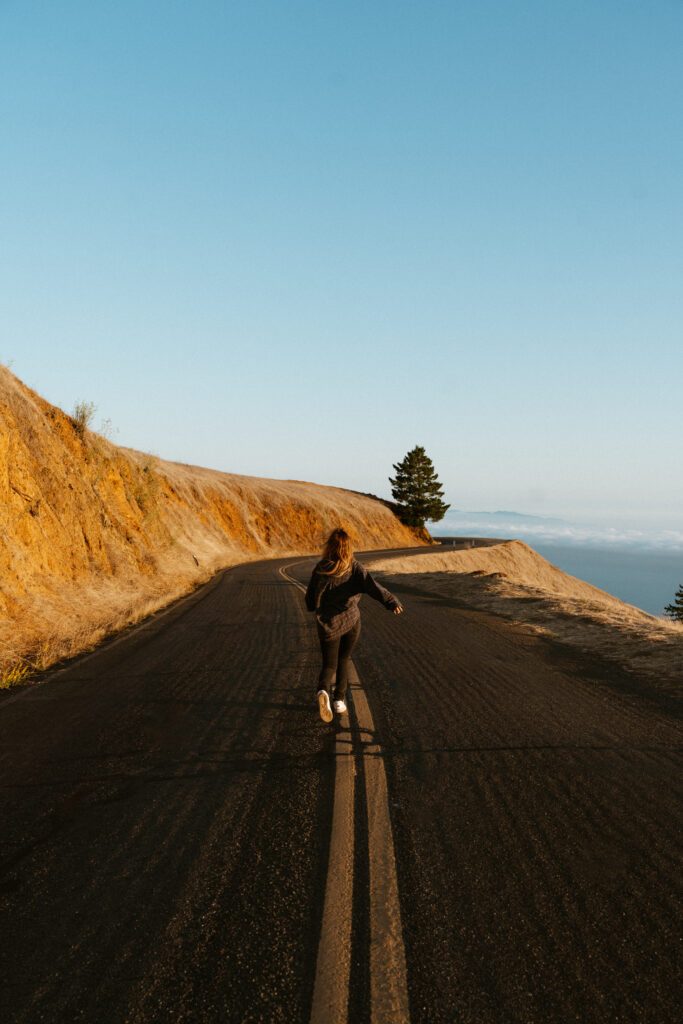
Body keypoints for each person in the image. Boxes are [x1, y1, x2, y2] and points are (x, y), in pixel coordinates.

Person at [305, 527, 403, 722]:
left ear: (330, 546)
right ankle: (339, 700)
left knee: (329, 664)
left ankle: (323, 690)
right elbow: (373, 586)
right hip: (351, 621)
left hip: (328, 624)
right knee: (344, 660)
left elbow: (310, 598)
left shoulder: (321, 568)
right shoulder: (355, 567)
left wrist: (313, 606)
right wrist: (391, 602)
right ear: (348, 547)